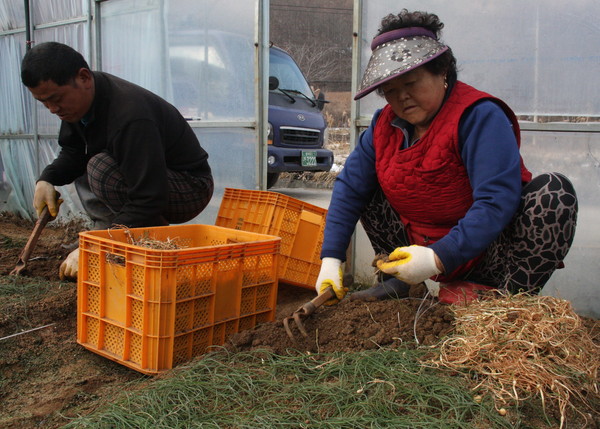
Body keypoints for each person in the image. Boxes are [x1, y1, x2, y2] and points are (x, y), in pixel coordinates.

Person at [314, 10, 578, 304]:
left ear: (442, 72)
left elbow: (495, 201)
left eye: (411, 83)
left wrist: (437, 258)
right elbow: (349, 188)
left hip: (486, 252)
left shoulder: (478, 116)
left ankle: (504, 300)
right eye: (390, 90)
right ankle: (398, 283)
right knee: (365, 187)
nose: (401, 97)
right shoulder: (382, 126)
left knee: (553, 194)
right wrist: (332, 258)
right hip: (416, 247)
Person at [21, 42, 214, 280]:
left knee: (100, 168)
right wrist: (47, 180)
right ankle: (109, 235)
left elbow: (149, 197)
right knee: (90, 161)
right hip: (155, 184)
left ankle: (135, 245)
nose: (52, 109)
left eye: (55, 99)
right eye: (44, 103)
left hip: (190, 187)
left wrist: (96, 247)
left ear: (83, 77)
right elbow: (73, 153)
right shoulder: (77, 105)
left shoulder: (130, 115)